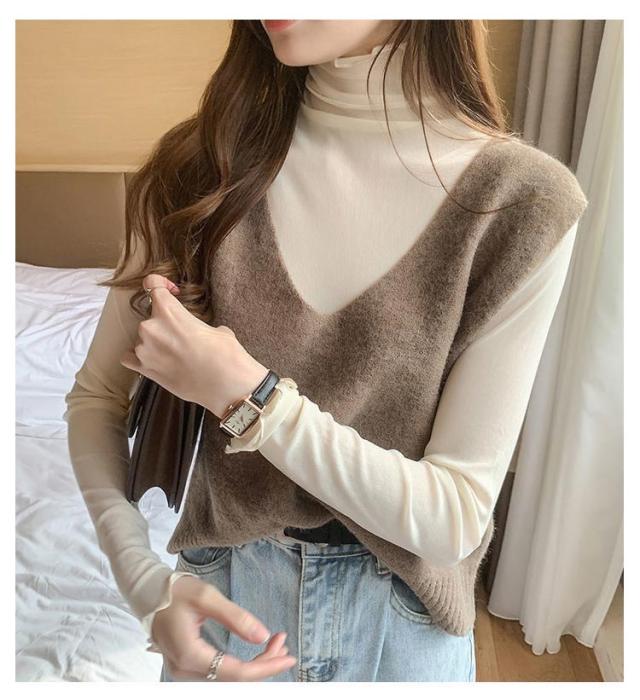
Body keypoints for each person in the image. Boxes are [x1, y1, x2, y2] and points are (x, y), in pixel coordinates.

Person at [64, 20, 586, 682]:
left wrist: (249, 397)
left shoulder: (522, 201)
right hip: (226, 609)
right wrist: (145, 585)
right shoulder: (195, 171)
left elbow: (453, 517)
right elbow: (98, 397)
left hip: (402, 638)